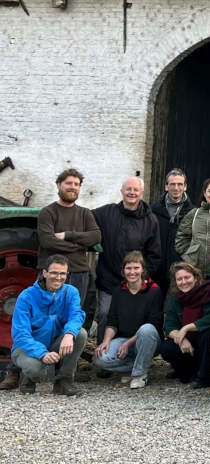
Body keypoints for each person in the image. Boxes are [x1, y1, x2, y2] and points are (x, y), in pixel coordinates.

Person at [93, 176, 163, 342]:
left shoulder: (150, 220)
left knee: (133, 318)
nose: (132, 192)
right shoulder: (106, 213)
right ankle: (103, 352)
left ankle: (132, 351)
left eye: (135, 190)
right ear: (122, 191)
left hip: (135, 281)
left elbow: (154, 254)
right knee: (105, 314)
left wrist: (142, 277)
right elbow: (84, 218)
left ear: (142, 193)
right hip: (109, 279)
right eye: (128, 189)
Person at [10, 255, 87, 396]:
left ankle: (64, 381)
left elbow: (76, 315)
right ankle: (28, 377)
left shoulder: (71, 292)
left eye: (63, 273)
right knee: (36, 370)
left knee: (80, 333)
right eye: (54, 273)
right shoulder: (26, 296)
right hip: (27, 347)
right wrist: (42, 353)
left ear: (67, 274)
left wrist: (69, 334)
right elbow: (20, 334)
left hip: (55, 342)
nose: (58, 277)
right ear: (44, 273)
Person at [36, 168, 101, 333]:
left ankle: (72, 347)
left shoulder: (85, 213)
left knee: (75, 316)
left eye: (76, 184)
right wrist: (78, 246)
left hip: (79, 273)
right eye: (68, 183)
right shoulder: (47, 212)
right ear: (59, 185)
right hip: (53, 274)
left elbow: (95, 236)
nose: (73, 187)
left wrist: (67, 235)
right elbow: (47, 241)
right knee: (48, 318)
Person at [93, 251, 163, 389]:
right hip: (123, 338)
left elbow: (154, 323)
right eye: (128, 268)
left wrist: (129, 343)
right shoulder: (119, 291)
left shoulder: (154, 290)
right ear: (123, 270)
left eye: (136, 268)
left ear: (143, 270)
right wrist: (106, 341)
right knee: (100, 359)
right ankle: (139, 365)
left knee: (147, 329)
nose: (132, 272)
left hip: (146, 340)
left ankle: (139, 375)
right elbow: (112, 321)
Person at [158, 262, 210, 388]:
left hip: (204, 344)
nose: (184, 282)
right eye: (179, 279)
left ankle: (204, 376)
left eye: (187, 277)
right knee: (166, 347)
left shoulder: (207, 292)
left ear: (195, 277)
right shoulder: (174, 297)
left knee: (209, 334)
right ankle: (187, 372)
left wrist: (186, 328)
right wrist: (181, 339)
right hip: (187, 345)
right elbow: (169, 326)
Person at [151, 168, 195, 284]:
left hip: (181, 274)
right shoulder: (153, 210)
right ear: (166, 186)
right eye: (172, 184)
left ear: (185, 187)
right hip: (156, 273)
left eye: (180, 184)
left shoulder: (194, 213)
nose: (176, 188)